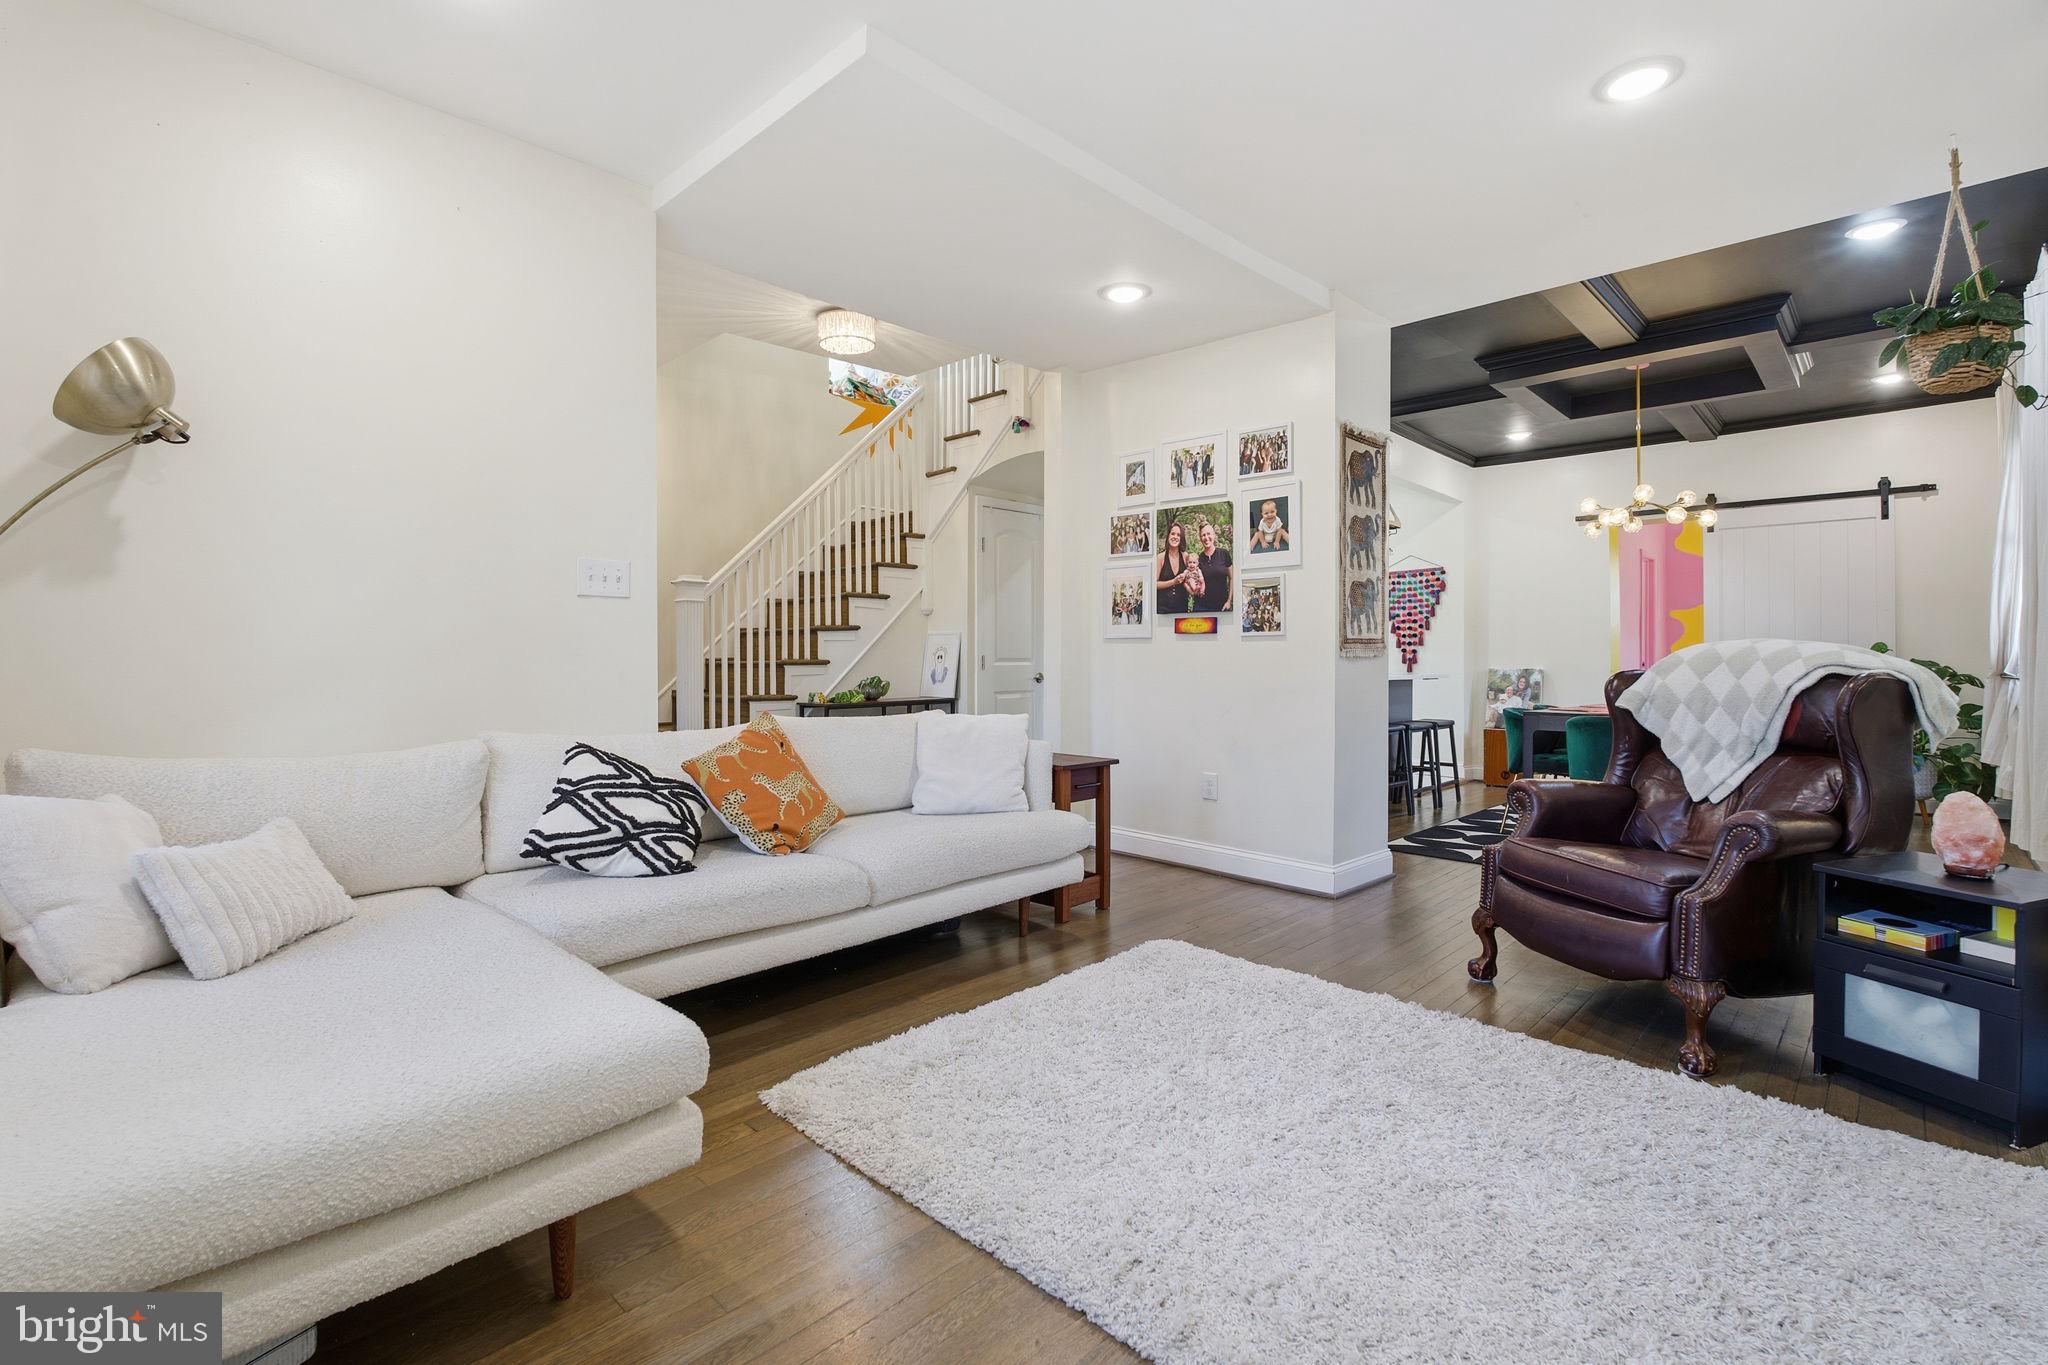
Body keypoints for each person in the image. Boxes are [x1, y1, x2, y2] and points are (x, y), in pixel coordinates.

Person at [1192, 520, 1232, 613]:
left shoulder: (1224, 554)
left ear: (1214, 535)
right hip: (1201, 607)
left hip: (1221, 606)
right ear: (1200, 538)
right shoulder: (1198, 559)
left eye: (1208, 534)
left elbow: (1232, 578)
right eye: (1203, 535)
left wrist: (1229, 601)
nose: (1206, 538)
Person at [1154, 521, 1192, 615]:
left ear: (1181, 538)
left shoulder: (1185, 556)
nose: (1175, 537)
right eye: (1173, 533)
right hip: (1163, 609)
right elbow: (1154, 584)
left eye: (1178, 535)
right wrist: (1173, 582)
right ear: (1168, 536)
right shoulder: (1160, 557)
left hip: (1182, 608)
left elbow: (1191, 576)